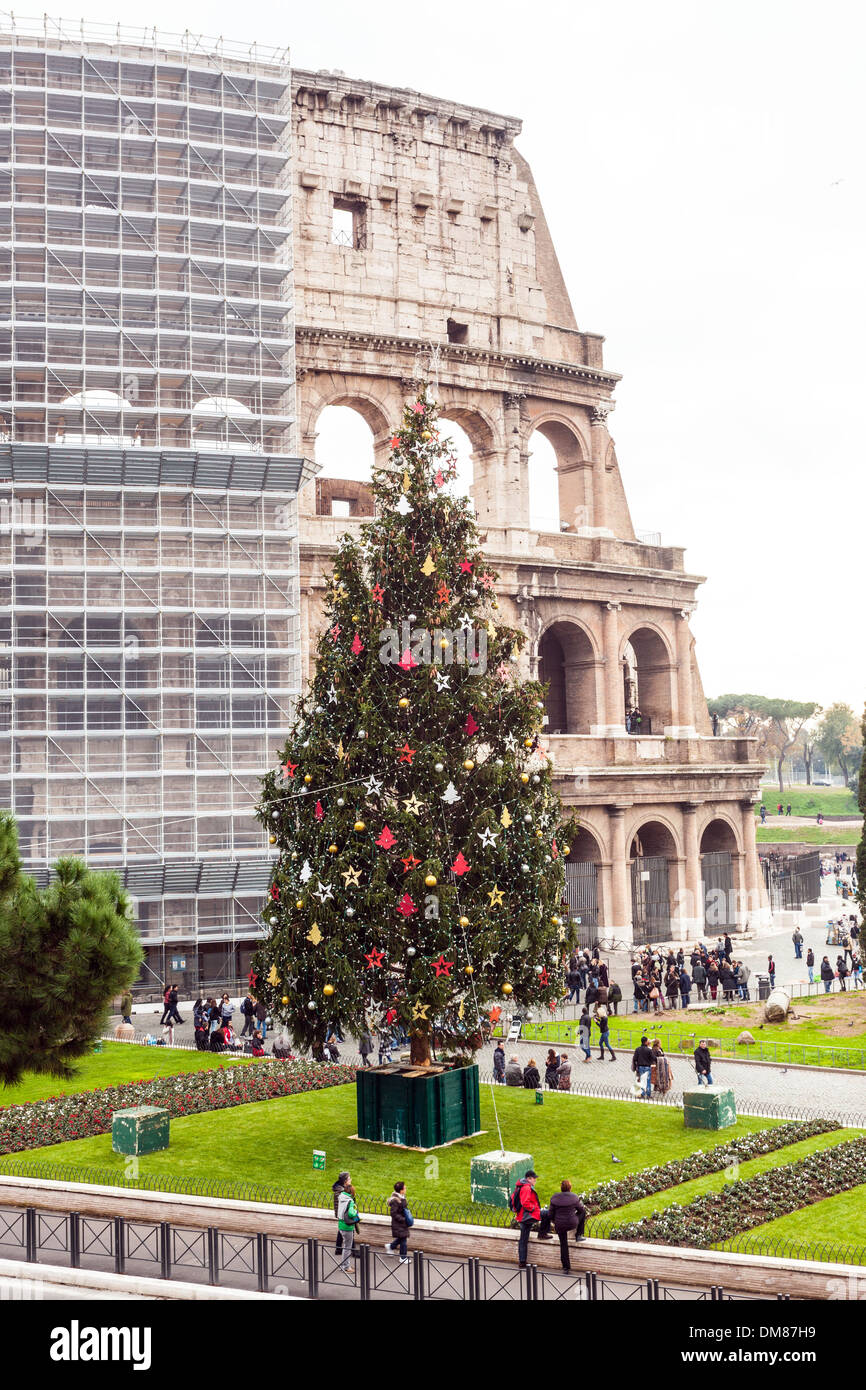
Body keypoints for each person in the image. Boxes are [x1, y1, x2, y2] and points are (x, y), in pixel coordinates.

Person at [536, 1180, 587, 1270]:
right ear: (570, 1188)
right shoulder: (574, 1197)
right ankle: (578, 1235)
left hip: (559, 1224)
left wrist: (556, 1221)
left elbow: (550, 1214)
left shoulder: (555, 1198)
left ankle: (566, 1267)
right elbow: (581, 1210)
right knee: (583, 1213)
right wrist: (574, 1215)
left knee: (563, 1244)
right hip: (572, 1223)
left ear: (561, 1188)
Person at [512, 1170, 541, 1269]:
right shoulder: (526, 1188)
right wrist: (533, 1208)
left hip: (524, 1216)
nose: (535, 1180)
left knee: (524, 1238)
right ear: (529, 1178)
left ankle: (523, 1260)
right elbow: (525, 1202)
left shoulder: (524, 1186)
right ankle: (522, 1261)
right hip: (525, 1217)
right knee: (523, 1239)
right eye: (534, 1179)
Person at [337, 1183, 360, 1271]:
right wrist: (355, 1210)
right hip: (347, 1227)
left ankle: (344, 1265)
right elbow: (351, 1213)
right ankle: (346, 1267)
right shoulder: (350, 1201)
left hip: (341, 1225)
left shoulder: (341, 1198)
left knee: (345, 1246)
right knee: (347, 1247)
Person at [332, 1170, 350, 1258]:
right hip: (343, 1214)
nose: (351, 1179)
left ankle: (338, 1249)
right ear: (345, 1181)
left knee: (341, 1230)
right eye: (349, 1178)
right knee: (350, 1230)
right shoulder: (341, 1191)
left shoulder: (341, 1189)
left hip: (341, 1213)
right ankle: (353, 1251)